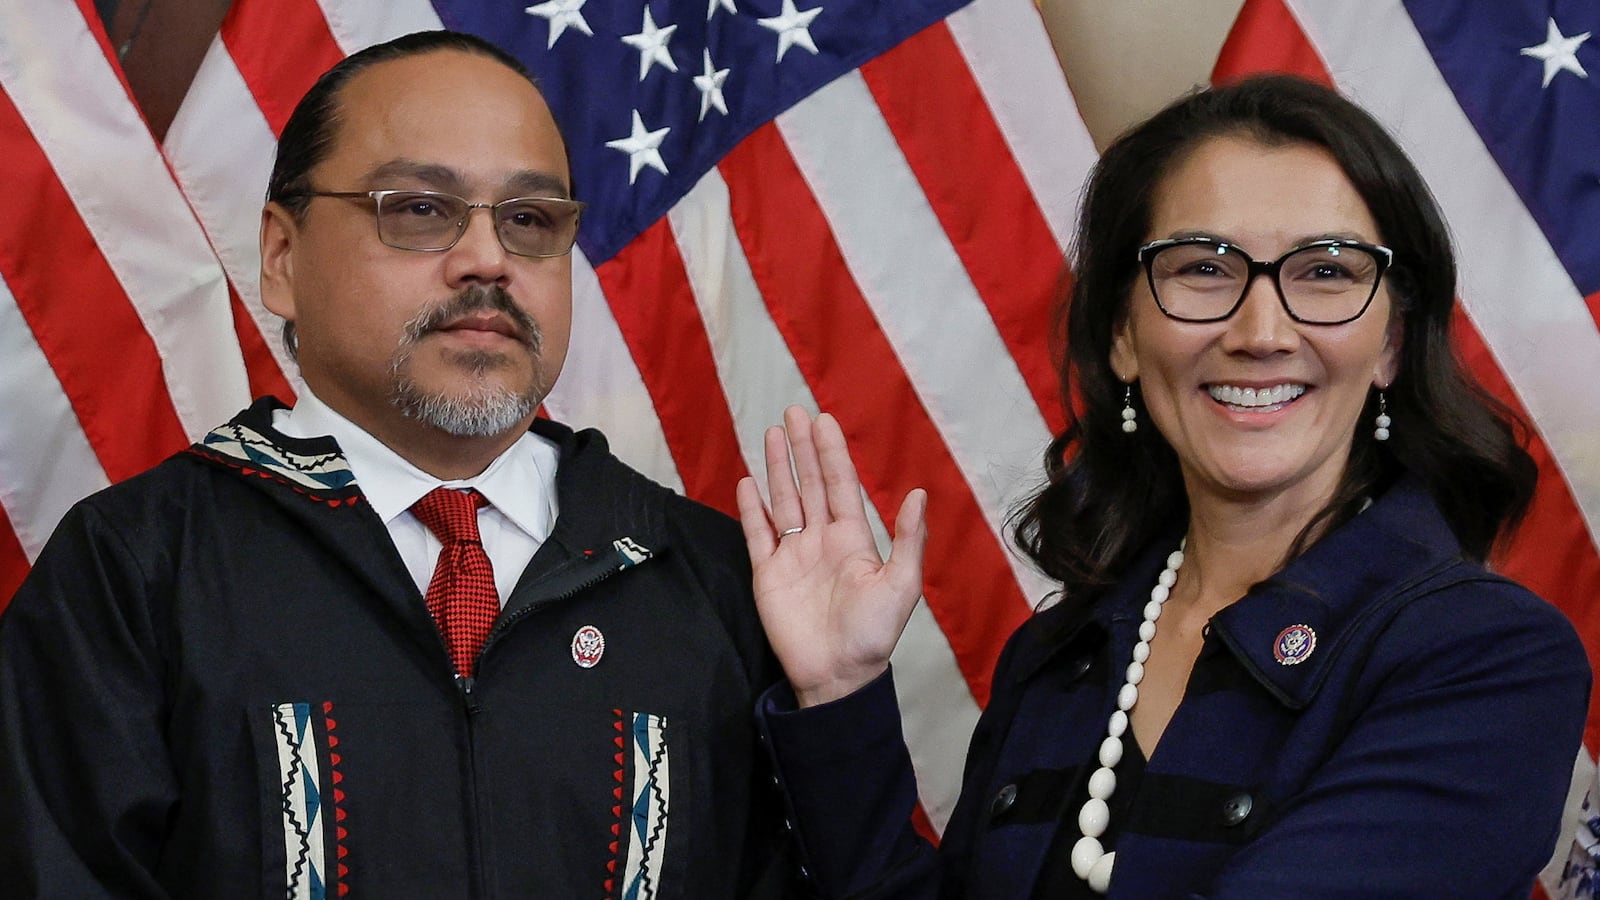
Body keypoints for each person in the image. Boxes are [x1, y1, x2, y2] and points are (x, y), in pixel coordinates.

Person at [736, 74, 1591, 898]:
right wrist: (839, 696)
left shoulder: (1489, 659)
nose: (1261, 332)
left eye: (1326, 272)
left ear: (1394, 344)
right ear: (1123, 337)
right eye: (1203, 269)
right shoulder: (1059, 659)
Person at [0, 31, 791, 898]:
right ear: (281, 258)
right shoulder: (134, 572)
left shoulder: (713, 580)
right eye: (419, 208)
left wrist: (837, 708)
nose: (488, 259)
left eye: (529, 220)